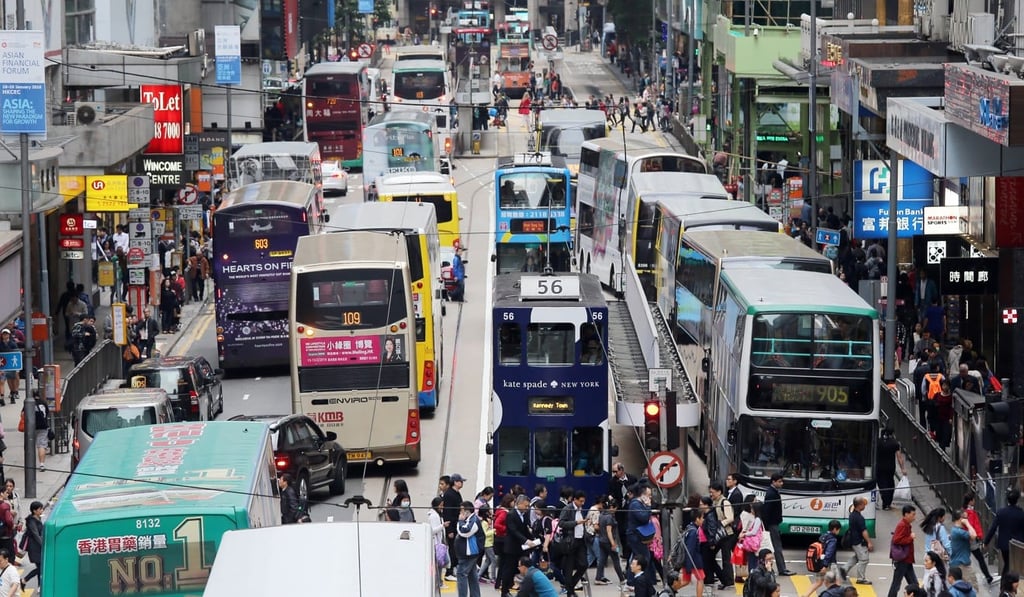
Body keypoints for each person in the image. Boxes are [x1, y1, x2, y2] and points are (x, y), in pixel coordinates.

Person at [501, 495, 539, 597]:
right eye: (526, 506)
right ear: (519, 503)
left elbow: (525, 529)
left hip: (522, 548)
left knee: (524, 569)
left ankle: (526, 590)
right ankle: (504, 591)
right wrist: (526, 541)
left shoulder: (525, 514)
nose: (527, 508)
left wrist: (533, 539)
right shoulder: (511, 514)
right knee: (509, 569)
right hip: (512, 547)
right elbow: (514, 531)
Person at [983, 487, 1024, 577]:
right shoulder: (1021, 514)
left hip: (1004, 544)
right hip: (1018, 544)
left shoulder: (1001, 512)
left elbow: (993, 528)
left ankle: (1005, 584)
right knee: (1014, 565)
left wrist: (986, 542)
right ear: (1017, 500)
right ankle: (1007, 585)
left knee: (1007, 564)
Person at [557, 489, 587, 596]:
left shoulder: (581, 510)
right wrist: (576, 523)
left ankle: (570, 586)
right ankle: (570, 592)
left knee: (584, 564)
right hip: (570, 541)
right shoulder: (567, 508)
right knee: (569, 568)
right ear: (574, 500)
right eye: (580, 501)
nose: (582, 503)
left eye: (583, 501)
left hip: (580, 540)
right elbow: (561, 523)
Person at [762, 473, 793, 575]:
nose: (781, 483)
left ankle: (779, 568)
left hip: (773, 523)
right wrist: (766, 526)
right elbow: (766, 511)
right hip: (772, 524)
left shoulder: (774, 492)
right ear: (773, 482)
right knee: (776, 547)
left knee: (774, 547)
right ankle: (781, 569)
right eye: (779, 481)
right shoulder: (771, 493)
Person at [802, 520, 841, 597]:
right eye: (838, 530)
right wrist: (825, 565)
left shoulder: (823, 536)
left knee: (818, 582)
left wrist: (822, 564)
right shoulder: (833, 539)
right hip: (829, 564)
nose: (839, 531)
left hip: (820, 562)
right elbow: (829, 553)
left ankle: (805, 595)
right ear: (835, 529)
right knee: (837, 582)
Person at [962, 493, 994, 584]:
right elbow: (973, 525)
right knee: (980, 558)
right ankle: (988, 576)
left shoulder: (963, 511)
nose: (974, 501)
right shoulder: (971, 513)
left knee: (964, 558)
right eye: (973, 500)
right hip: (971, 539)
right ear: (971, 501)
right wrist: (978, 536)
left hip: (964, 538)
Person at [887, 505, 919, 597]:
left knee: (914, 584)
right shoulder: (902, 525)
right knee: (896, 584)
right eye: (913, 514)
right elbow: (897, 540)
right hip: (902, 560)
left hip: (906, 559)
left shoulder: (906, 525)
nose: (914, 517)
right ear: (906, 514)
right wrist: (910, 538)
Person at [608, 463, 637, 562]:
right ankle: (625, 552)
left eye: (616, 471)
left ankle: (631, 551)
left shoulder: (632, 479)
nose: (614, 474)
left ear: (621, 470)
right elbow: (611, 493)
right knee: (621, 531)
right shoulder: (613, 481)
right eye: (613, 472)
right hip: (620, 509)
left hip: (631, 507)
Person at [455, 501, 484, 597]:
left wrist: (460, 521)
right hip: (469, 554)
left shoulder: (474, 521)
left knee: (461, 575)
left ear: (467, 511)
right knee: (472, 576)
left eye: (461, 511)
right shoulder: (470, 520)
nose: (460, 513)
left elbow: (464, 532)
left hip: (469, 554)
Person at [841, 497, 873, 584]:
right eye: (863, 504)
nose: (864, 505)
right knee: (864, 559)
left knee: (857, 557)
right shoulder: (859, 518)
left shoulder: (852, 515)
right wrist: (869, 542)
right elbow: (864, 531)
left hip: (853, 540)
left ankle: (844, 569)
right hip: (859, 541)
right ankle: (861, 578)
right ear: (860, 505)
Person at [676, 507, 706, 597]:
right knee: (701, 579)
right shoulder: (693, 532)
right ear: (697, 519)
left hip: (689, 561)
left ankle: (670, 590)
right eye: (702, 518)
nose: (703, 520)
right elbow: (690, 549)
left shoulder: (689, 528)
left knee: (686, 581)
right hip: (694, 561)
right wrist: (689, 565)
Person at [595, 497, 625, 587]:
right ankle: (622, 579)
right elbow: (609, 531)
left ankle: (598, 578)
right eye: (615, 508)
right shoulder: (609, 517)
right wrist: (613, 544)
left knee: (602, 560)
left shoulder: (601, 515)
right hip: (608, 541)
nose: (615, 510)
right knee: (616, 560)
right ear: (612, 507)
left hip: (601, 540)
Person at [877, 427, 907, 510]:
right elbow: (899, 457)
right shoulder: (894, 443)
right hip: (890, 467)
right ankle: (888, 503)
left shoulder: (878, 442)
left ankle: (885, 502)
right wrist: (903, 469)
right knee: (890, 484)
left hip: (879, 467)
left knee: (882, 485)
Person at [443, 474, 467, 580]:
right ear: (455, 482)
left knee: (456, 548)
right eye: (460, 481)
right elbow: (447, 512)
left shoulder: (456, 493)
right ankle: (449, 572)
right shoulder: (449, 494)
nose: (461, 483)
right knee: (452, 549)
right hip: (452, 526)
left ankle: (453, 569)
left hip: (456, 524)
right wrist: (449, 530)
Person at [948, 510, 977, 591]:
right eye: (965, 518)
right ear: (961, 519)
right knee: (973, 588)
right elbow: (974, 535)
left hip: (957, 563)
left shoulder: (955, 530)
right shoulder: (959, 531)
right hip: (962, 565)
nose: (967, 519)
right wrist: (967, 524)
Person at [20, 501, 42, 591]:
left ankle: (40, 586)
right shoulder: (31, 521)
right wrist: (42, 544)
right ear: (34, 510)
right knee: (41, 567)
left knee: (40, 567)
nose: (42, 510)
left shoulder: (37, 518)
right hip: (34, 547)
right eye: (40, 509)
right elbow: (35, 534)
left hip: (37, 546)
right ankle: (25, 580)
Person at [428, 496, 447, 590]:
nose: (442, 507)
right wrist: (442, 525)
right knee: (438, 564)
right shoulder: (434, 516)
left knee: (440, 563)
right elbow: (432, 530)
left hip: (439, 542)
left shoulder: (438, 514)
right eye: (440, 505)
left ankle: (438, 581)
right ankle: (438, 582)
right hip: (436, 543)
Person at [30, 399, 49, 472]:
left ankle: (30, 463)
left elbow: (23, 414)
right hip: (43, 426)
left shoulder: (29, 402)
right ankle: (42, 464)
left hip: (31, 427)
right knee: (41, 445)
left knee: (30, 445)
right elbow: (46, 413)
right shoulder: (43, 402)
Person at [0, 331, 17, 406]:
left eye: (6, 334)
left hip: (11, 366)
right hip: (3, 366)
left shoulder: (12, 344)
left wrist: (17, 367)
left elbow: (16, 354)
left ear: (9, 335)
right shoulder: (0, 344)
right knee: (2, 382)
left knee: (11, 382)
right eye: (4, 334)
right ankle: (2, 398)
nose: (5, 335)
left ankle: (13, 393)